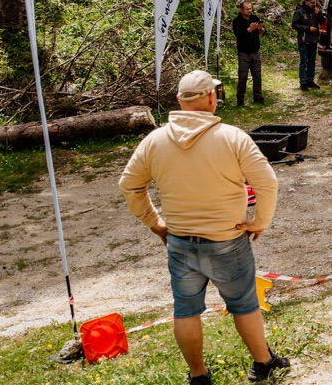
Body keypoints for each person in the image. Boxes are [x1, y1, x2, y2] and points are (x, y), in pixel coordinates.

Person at [119, 70, 288, 385]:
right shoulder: (233, 137)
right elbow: (267, 182)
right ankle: (262, 362)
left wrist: (155, 222)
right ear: (212, 97)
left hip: (180, 241)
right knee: (244, 305)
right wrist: (260, 221)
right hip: (228, 239)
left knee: (185, 311)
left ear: (179, 101)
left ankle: (198, 376)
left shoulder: (154, 141)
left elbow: (129, 185)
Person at [231, 2, 265, 107]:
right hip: (243, 53)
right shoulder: (237, 21)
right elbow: (239, 35)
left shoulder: (254, 18)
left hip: (255, 52)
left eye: (250, 9)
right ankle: (240, 100)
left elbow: (263, 32)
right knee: (242, 77)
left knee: (257, 76)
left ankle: (257, 97)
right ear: (241, 10)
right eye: (247, 9)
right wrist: (249, 30)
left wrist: (261, 29)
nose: (249, 11)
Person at [291, 0, 322, 90]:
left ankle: (310, 80)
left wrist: (319, 14)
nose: (314, 4)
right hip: (304, 40)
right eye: (312, 2)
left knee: (312, 61)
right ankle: (303, 82)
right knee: (303, 61)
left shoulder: (315, 11)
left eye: (314, 2)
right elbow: (294, 25)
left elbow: (322, 21)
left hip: (313, 40)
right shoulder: (299, 12)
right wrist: (308, 28)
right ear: (306, 2)